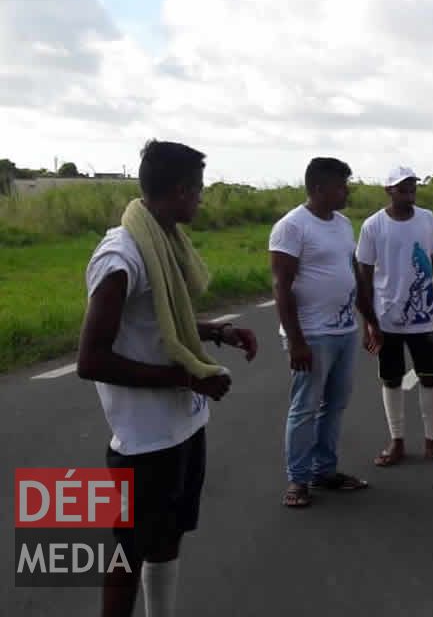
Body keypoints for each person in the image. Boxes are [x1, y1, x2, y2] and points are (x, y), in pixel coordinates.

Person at [77, 140, 258, 617]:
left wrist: (217, 333)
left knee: (167, 536)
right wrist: (188, 379)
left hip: (183, 426)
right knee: (128, 552)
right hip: (143, 440)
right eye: (198, 191)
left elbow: (158, 322)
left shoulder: (163, 242)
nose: (201, 200)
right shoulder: (121, 257)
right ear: (180, 191)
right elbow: (91, 359)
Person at [270, 157, 374, 508]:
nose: (347, 190)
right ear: (318, 188)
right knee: (305, 409)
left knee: (335, 406)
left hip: (345, 331)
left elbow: (355, 276)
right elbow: (281, 288)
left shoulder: (343, 225)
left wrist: (370, 321)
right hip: (312, 335)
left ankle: (324, 471)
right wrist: (296, 340)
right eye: (341, 185)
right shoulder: (292, 227)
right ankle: (297, 480)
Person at [355, 166, 433, 466]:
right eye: (402, 190)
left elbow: (430, 263)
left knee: (430, 378)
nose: (409, 195)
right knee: (391, 380)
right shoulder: (373, 226)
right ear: (388, 191)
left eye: (412, 189)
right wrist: (368, 322)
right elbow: (363, 276)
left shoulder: (427, 219)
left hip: (422, 316)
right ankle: (396, 441)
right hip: (386, 317)